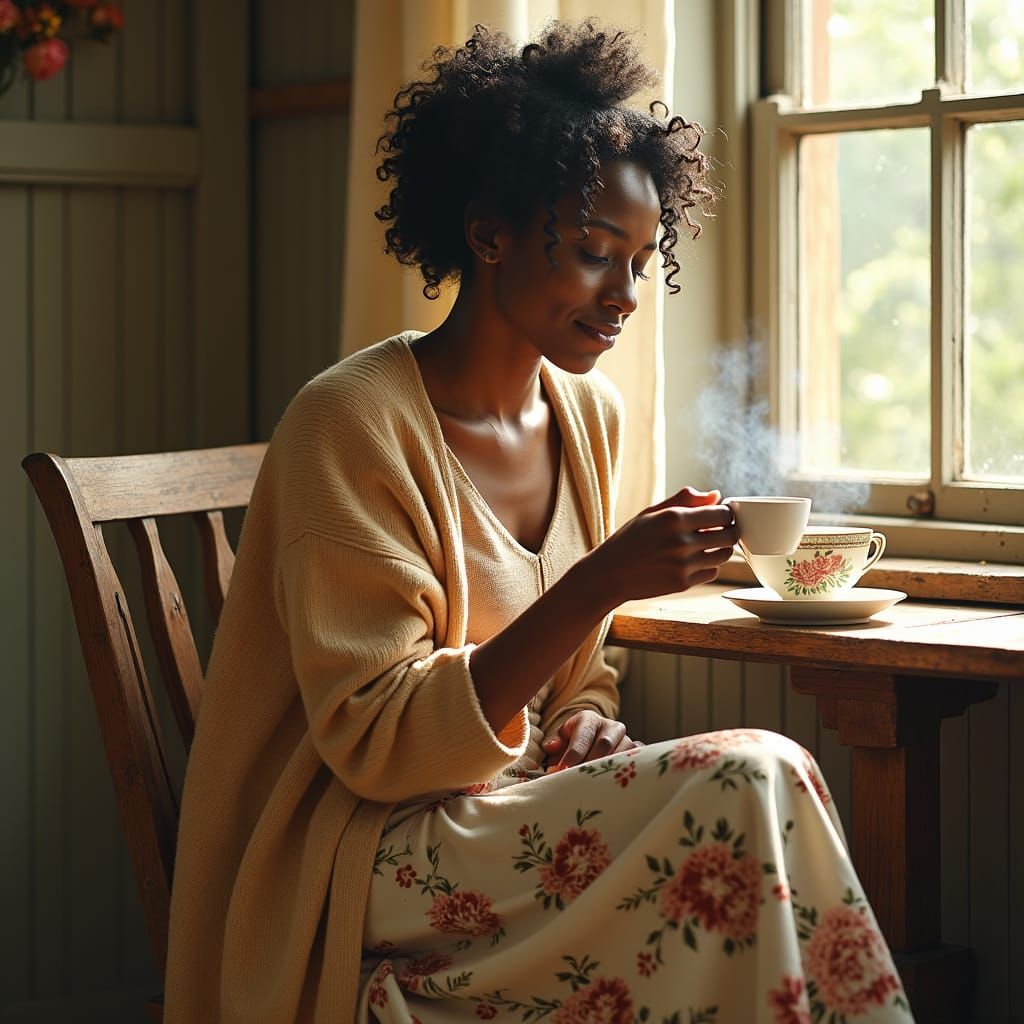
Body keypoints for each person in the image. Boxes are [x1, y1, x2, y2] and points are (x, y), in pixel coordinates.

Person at [164, 20, 914, 1024]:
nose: (626, 295)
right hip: (360, 861)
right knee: (751, 776)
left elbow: (580, 673)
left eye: (644, 261)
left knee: (767, 785)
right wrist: (601, 578)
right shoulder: (346, 423)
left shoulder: (590, 418)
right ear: (488, 235)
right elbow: (378, 742)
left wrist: (580, 718)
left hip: (509, 827)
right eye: (599, 254)